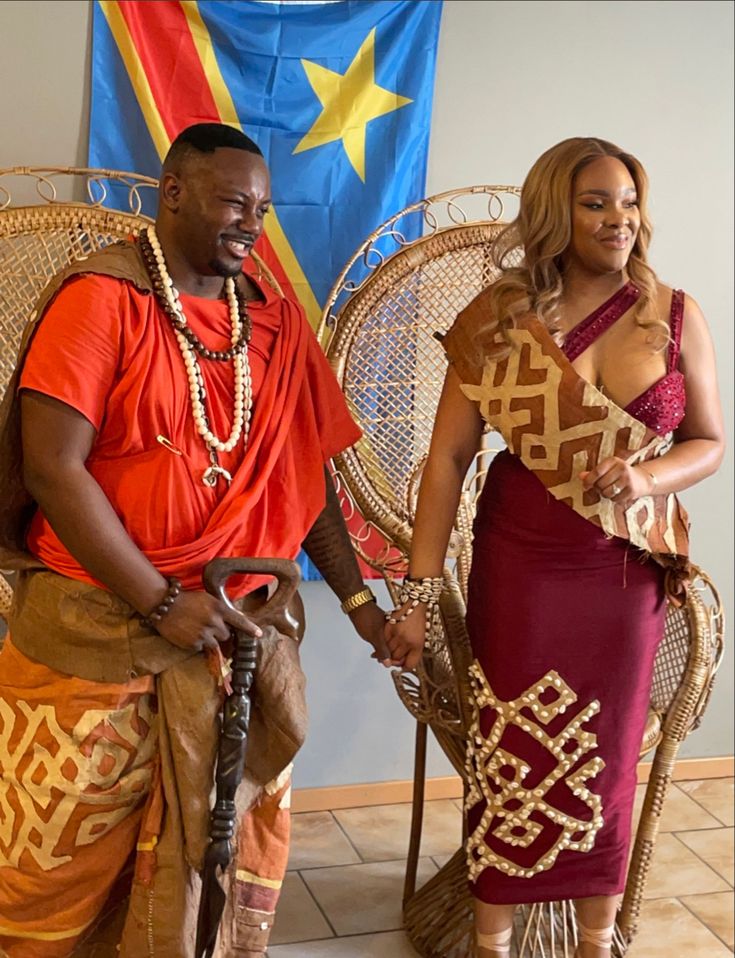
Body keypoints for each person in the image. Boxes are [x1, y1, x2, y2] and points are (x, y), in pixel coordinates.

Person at [0, 123, 392, 958]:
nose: (250, 222)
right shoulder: (102, 299)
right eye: (232, 202)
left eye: (261, 208)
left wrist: (362, 606)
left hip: (241, 637)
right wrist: (161, 599)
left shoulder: (274, 324)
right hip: (99, 632)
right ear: (173, 192)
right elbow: (52, 469)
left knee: (219, 873)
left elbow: (305, 477)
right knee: (55, 870)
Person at [384, 137, 724, 958]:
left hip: (623, 569)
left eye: (628, 201)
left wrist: (646, 481)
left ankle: (594, 940)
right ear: (552, 212)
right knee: (513, 748)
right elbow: (447, 461)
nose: (618, 219)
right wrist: (418, 595)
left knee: (607, 758)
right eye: (594, 202)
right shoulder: (501, 320)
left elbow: (709, 442)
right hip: (521, 560)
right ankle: (492, 939)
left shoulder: (673, 311)